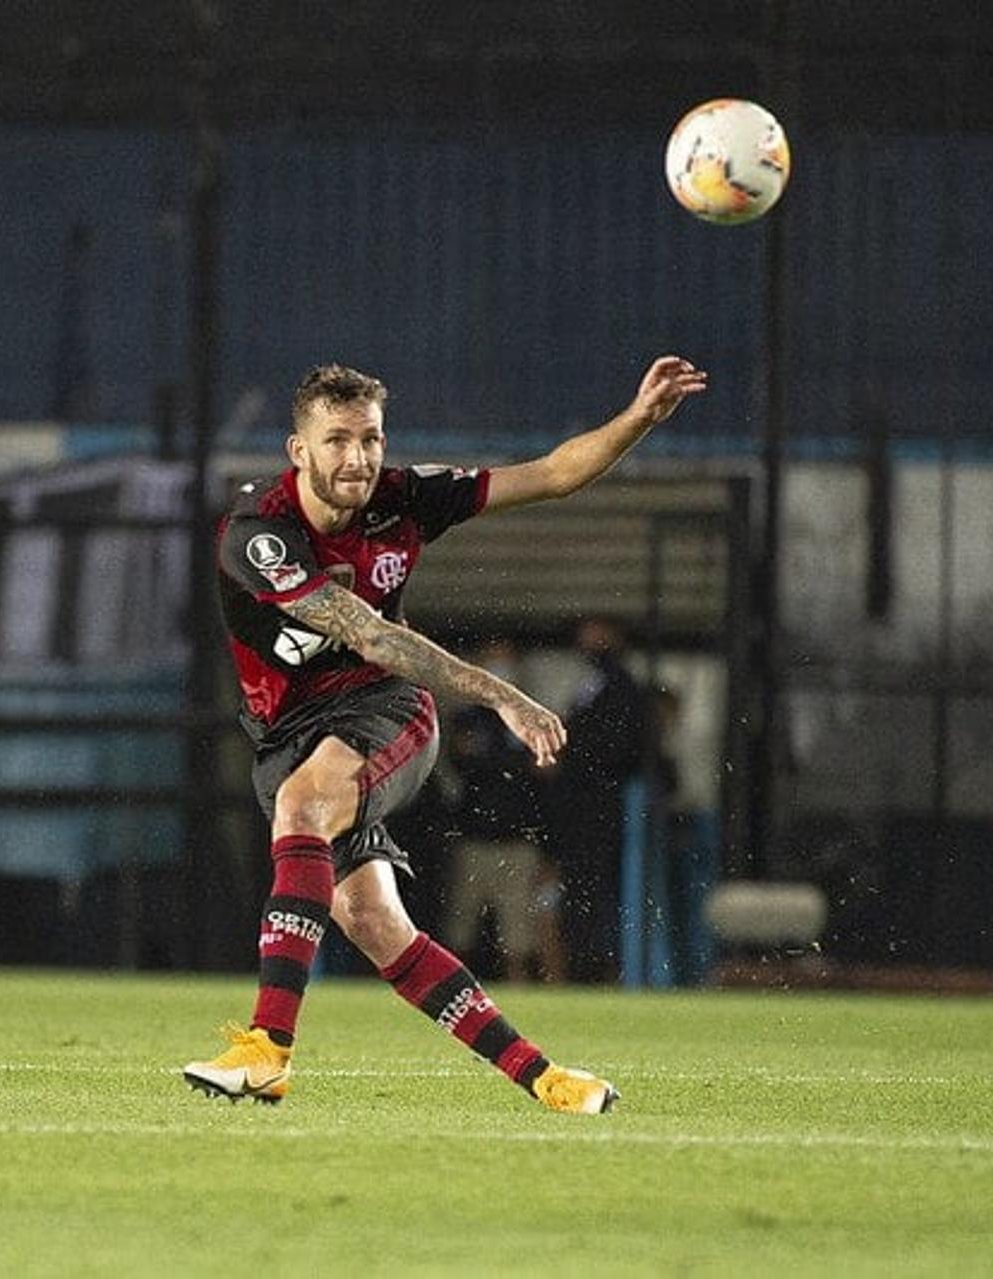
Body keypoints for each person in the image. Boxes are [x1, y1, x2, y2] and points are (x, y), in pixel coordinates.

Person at [182, 354, 708, 1112]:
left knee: (305, 805)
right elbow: (366, 628)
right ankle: (547, 1078)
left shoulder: (407, 498)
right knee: (375, 924)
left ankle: (266, 1049)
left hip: (384, 710)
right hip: (288, 732)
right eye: (336, 440)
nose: (358, 457)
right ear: (299, 451)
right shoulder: (259, 532)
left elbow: (554, 474)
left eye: (370, 439)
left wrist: (636, 420)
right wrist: (504, 694)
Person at [439, 636, 565, 982]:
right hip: (474, 838)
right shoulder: (470, 717)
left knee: (517, 935)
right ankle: (451, 995)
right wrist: (514, 762)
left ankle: (519, 995)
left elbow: (545, 776)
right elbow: (465, 762)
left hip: (517, 841)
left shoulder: (529, 718)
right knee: (459, 929)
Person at [545, 616, 652, 982]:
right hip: (581, 804)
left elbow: (618, 745)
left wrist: (570, 752)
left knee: (593, 887)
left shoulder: (619, 684)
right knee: (578, 888)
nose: (587, 638)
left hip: (597, 805)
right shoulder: (590, 681)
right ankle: (584, 961)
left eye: (597, 631)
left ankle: (596, 965)